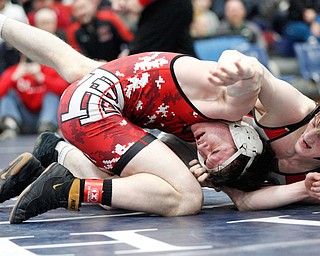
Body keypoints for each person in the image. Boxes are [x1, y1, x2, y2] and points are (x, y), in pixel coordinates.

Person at [0, 14, 273, 223]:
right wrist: (243, 69)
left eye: (207, 158)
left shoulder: (205, 129)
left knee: (138, 189)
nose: (204, 150)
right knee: (187, 198)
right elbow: (243, 72)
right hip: (94, 110)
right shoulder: (230, 105)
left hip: (90, 100)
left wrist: (3, 24)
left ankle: (55, 152)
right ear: (242, 135)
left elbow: (59, 56)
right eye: (215, 150)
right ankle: (67, 187)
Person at [110, 0, 197, 57]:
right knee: (179, 51)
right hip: (162, 8)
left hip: (166, 8)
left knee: (139, 59)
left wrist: (141, 2)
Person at [66, 0, 132, 61]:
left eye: (84, 8)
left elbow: (130, 40)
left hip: (118, 61)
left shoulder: (109, 18)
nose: (82, 12)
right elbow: (77, 57)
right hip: (93, 68)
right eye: (77, 10)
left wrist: (126, 51)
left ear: (92, 6)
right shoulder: (73, 31)